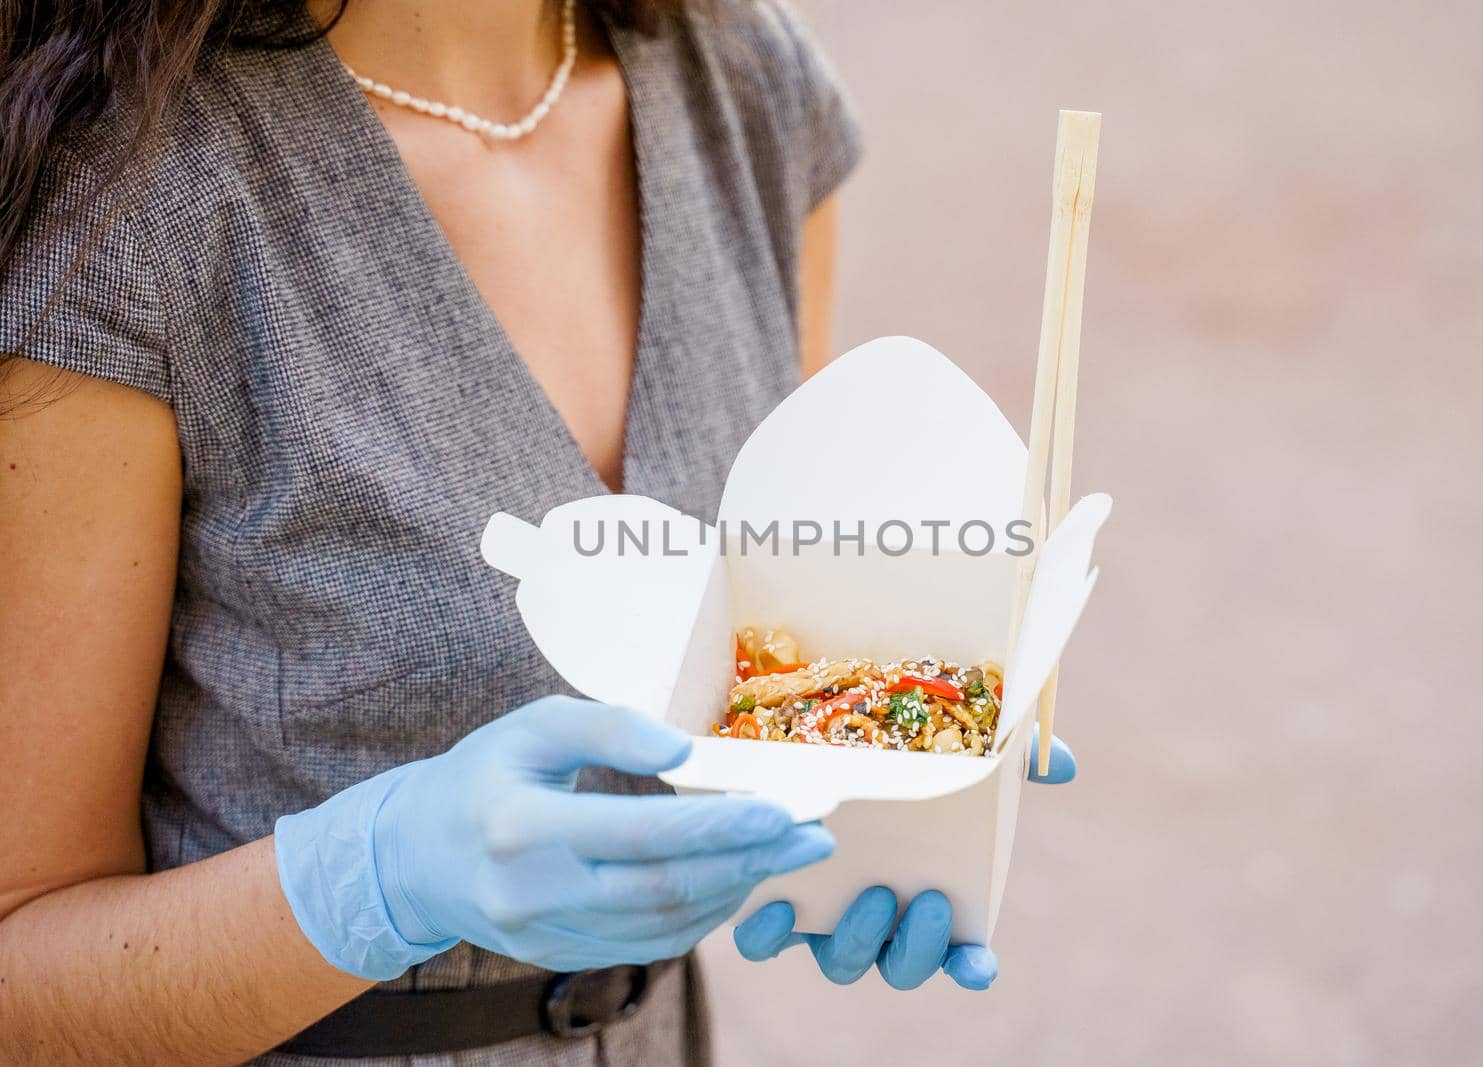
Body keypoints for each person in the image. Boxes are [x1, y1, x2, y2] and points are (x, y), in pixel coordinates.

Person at [0, 0, 1079, 1063]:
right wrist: (379, 875)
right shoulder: (123, 204)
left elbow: (773, 641)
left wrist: (889, 782)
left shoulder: (741, 80)